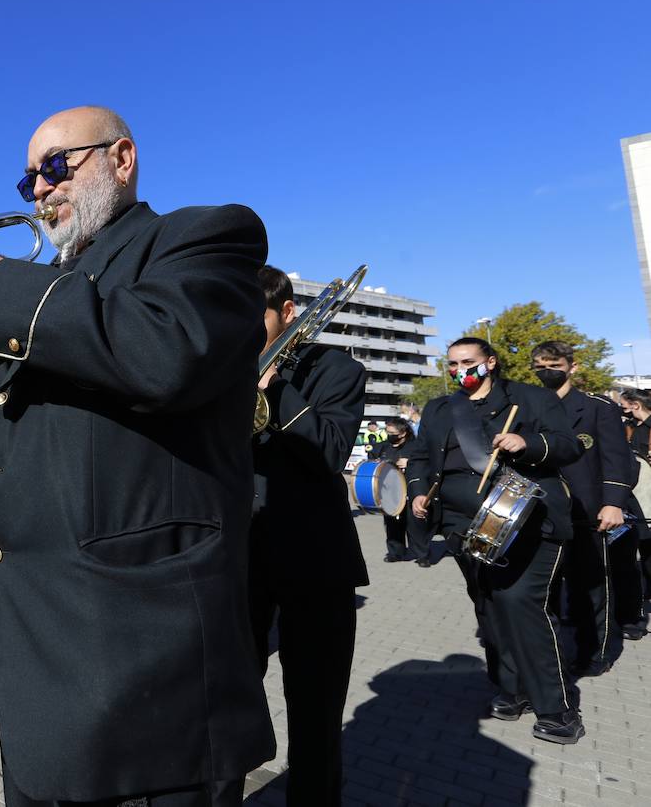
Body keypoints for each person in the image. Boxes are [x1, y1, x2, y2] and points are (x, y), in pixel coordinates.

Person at [0, 105, 274, 805]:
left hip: (142, 670)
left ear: (121, 159)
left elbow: (163, 352)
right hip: (37, 657)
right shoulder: (35, 292)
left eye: (56, 166)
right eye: (28, 179)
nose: (39, 189)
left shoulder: (202, 237)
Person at [407, 338, 584, 744]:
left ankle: (557, 708)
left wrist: (528, 444)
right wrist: (419, 489)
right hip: (460, 524)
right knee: (489, 608)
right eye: (452, 364)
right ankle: (511, 689)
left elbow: (567, 445)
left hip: (527, 520)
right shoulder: (439, 408)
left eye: (467, 362)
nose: (459, 370)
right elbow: (420, 457)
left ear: (491, 362)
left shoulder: (530, 399)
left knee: (521, 604)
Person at [249, 265, 367, 806]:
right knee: (226, 698)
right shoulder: (217, 368)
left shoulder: (337, 369)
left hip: (316, 560)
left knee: (316, 711)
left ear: (287, 313)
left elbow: (330, 452)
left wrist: (275, 393)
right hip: (237, 557)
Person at [531, 341, 634, 676]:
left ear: (571, 367)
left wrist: (613, 503)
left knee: (592, 585)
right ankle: (560, 649)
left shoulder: (597, 408)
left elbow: (617, 460)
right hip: (543, 511)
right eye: (539, 365)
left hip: (587, 509)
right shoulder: (529, 406)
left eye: (553, 364)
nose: (546, 371)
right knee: (552, 589)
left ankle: (598, 650)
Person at [618, 388, 651, 640]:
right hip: (631, 498)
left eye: (625, 405)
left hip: (646, 497)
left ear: (635, 405)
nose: (622, 410)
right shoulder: (628, 427)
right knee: (634, 557)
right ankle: (635, 616)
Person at [374, 417, 422, 563]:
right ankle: (395, 552)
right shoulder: (383, 446)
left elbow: (425, 464)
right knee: (391, 523)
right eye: (387, 432)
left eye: (392, 432)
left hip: (410, 489)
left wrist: (410, 463)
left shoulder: (416, 447)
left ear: (403, 433)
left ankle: (421, 554)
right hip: (389, 491)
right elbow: (374, 462)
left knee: (414, 524)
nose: (389, 435)